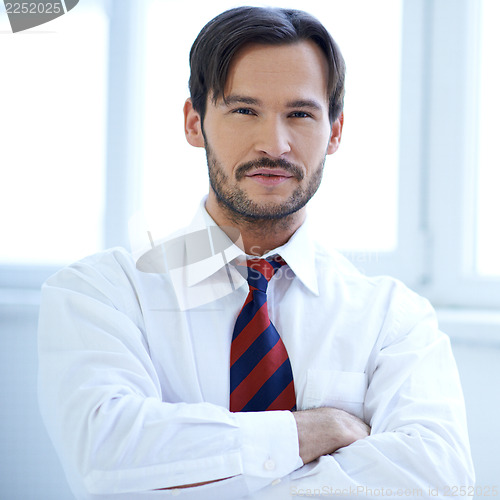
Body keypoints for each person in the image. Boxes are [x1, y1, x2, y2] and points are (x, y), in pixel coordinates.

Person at [38, 6, 474, 499]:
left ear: (334, 131)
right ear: (194, 122)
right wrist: (312, 431)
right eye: (244, 110)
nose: (275, 143)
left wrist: (181, 471)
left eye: (300, 114)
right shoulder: (102, 295)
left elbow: (438, 480)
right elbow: (105, 457)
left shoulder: (393, 319)